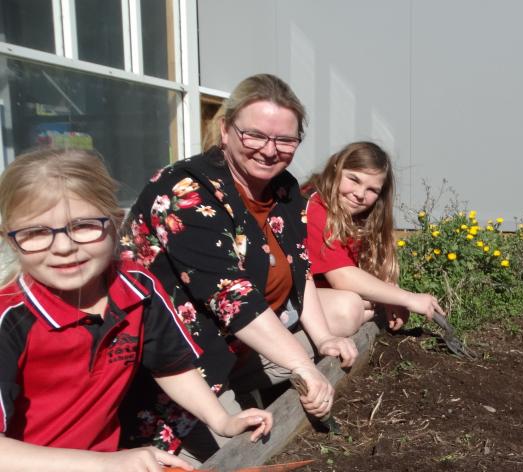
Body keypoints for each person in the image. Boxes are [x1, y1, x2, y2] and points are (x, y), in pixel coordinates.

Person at [120, 74, 354, 460]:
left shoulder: (283, 188)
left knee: (345, 317)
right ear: (226, 130)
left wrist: (324, 338)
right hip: (182, 363)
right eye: (255, 135)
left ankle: (249, 390)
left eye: (285, 140)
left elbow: (299, 265)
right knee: (241, 449)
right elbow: (231, 295)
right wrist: (304, 368)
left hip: (239, 346)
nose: (269, 150)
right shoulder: (185, 190)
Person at [0, 148, 272, 471]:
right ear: (11, 239)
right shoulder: (10, 318)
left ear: (115, 222)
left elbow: (171, 366)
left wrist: (222, 420)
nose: (63, 247)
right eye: (35, 233)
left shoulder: (138, 288)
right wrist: (106, 465)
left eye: (84, 226)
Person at [304, 141, 444, 334]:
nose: (360, 194)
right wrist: (406, 298)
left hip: (319, 296)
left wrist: (389, 292)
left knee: (366, 298)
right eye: (354, 179)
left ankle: (367, 310)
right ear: (336, 168)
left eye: (372, 190)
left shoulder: (359, 214)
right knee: (348, 308)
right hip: (285, 299)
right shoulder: (314, 205)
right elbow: (341, 277)